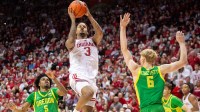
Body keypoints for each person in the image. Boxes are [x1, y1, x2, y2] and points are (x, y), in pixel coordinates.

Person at [120, 13, 187, 112]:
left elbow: (124, 49)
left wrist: (122, 28)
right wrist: (181, 43)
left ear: (142, 59)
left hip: (145, 109)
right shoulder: (161, 70)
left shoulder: (136, 70)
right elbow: (183, 61)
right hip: (159, 108)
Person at [66, 3, 103, 112]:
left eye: (84, 26)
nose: (82, 27)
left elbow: (100, 33)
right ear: (76, 31)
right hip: (78, 75)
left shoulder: (93, 41)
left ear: (87, 31)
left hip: (91, 78)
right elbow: (70, 40)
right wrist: (73, 21)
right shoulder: (72, 43)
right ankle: (75, 110)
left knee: (89, 110)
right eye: (79, 26)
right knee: (89, 92)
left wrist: (89, 15)